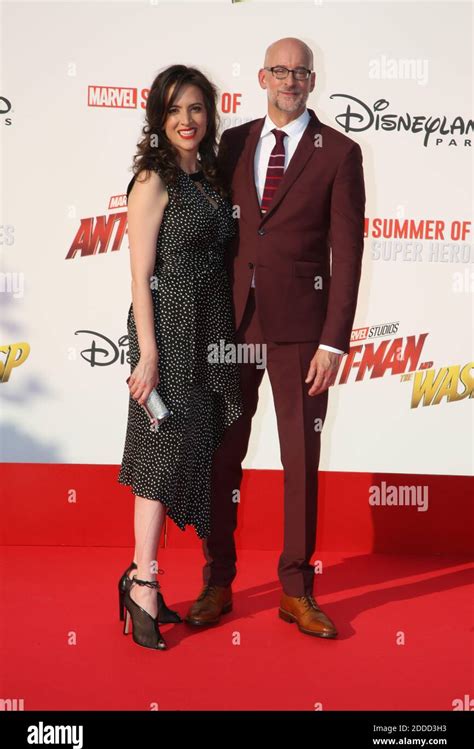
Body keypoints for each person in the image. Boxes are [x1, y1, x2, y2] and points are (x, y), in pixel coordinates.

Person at [185, 38, 366, 638]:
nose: (290, 80)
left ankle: (296, 589)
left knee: (301, 462)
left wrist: (334, 342)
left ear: (313, 81)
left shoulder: (339, 153)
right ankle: (218, 579)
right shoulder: (231, 143)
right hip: (232, 324)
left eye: (301, 72)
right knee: (222, 457)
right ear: (263, 76)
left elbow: (347, 255)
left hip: (302, 335)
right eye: (280, 70)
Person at [117, 64, 243, 650]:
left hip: (207, 329)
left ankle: (145, 582)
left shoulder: (210, 177)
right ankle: (143, 582)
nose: (187, 121)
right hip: (167, 331)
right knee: (158, 458)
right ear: (158, 118)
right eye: (175, 110)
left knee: (183, 453)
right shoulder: (153, 178)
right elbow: (140, 277)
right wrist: (148, 356)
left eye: (195, 108)